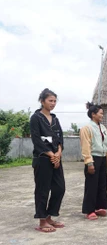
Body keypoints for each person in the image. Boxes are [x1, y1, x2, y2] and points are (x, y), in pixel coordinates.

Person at [30, 88, 65, 232]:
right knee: (42, 190)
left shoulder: (55, 119)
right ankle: (42, 221)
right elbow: (37, 139)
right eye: (50, 100)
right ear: (42, 101)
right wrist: (51, 155)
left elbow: (60, 138)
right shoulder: (36, 118)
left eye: (55, 101)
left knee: (59, 188)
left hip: (56, 158)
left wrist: (58, 153)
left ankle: (50, 216)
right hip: (43, 159)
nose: (53, 103)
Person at [80, 102, 107, 220]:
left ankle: (99, 207)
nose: (102, 115)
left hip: (102, 158)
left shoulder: (102, 127)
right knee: (91, 185)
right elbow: (86, 146)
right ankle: (89, 210)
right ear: (93, 114)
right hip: (93, 158)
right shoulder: (86, 128)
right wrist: (89, 162)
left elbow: (106, 144)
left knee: (102, 184)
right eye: (100, 113)